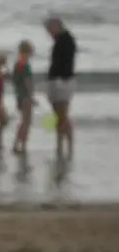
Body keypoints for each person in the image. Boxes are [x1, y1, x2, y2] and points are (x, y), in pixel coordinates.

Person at [45, 17, 77, 159]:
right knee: (59, 115)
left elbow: (65, 63)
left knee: (62, 115)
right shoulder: (61, 40)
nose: (49, 33)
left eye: (50, 30)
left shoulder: (66, 40)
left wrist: (58, 78)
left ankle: (65, 145)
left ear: (57, 26)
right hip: (58, 80)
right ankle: (62, 144)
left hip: (62, 81)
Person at [11, 40, 37, 155]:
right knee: (27, 122)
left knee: (23, 121)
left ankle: (18, 144)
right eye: (31, 51)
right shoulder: (25, 65)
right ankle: (21, 146)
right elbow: (28, 82)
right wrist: (31, 96)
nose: (32, 54)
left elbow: (15, 80)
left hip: (19, 95)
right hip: (25, 96)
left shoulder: (17, 64)